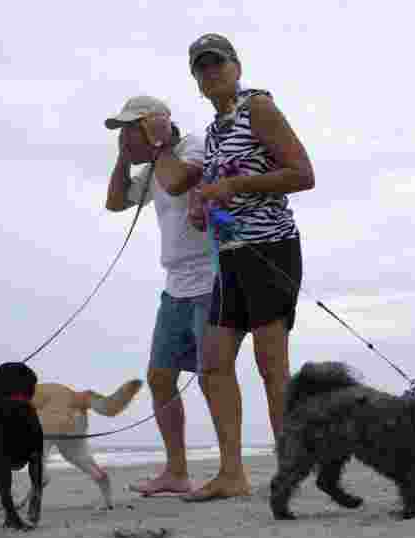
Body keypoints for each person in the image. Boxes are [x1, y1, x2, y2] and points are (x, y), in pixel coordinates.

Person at [182, 34, 316, 502]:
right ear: (196, 80)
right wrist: (205, 204)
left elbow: (303, 174)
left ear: (237, 67)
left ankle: (289, 472)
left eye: (218, 63)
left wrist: (234, 184)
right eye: (201, 68)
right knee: (213, 364)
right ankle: (232, 473)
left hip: (272, 248)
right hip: (232, 255)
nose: (211, 72)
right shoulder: (216, 128)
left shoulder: (258, 109)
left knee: (271, 366)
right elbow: (227, 189)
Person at [103, 95, 211, 495]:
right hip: (175, 285)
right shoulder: (154, 167)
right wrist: (123, 160)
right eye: (124, 131)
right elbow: (115, 203)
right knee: (160, 376)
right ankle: (177, 472)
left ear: (156, 125)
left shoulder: (192, 146)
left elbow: (181, 179)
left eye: (132, 128)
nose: (127, 136)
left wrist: (161, 145)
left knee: (210, 378)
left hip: (210, 280)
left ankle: (228, 469)